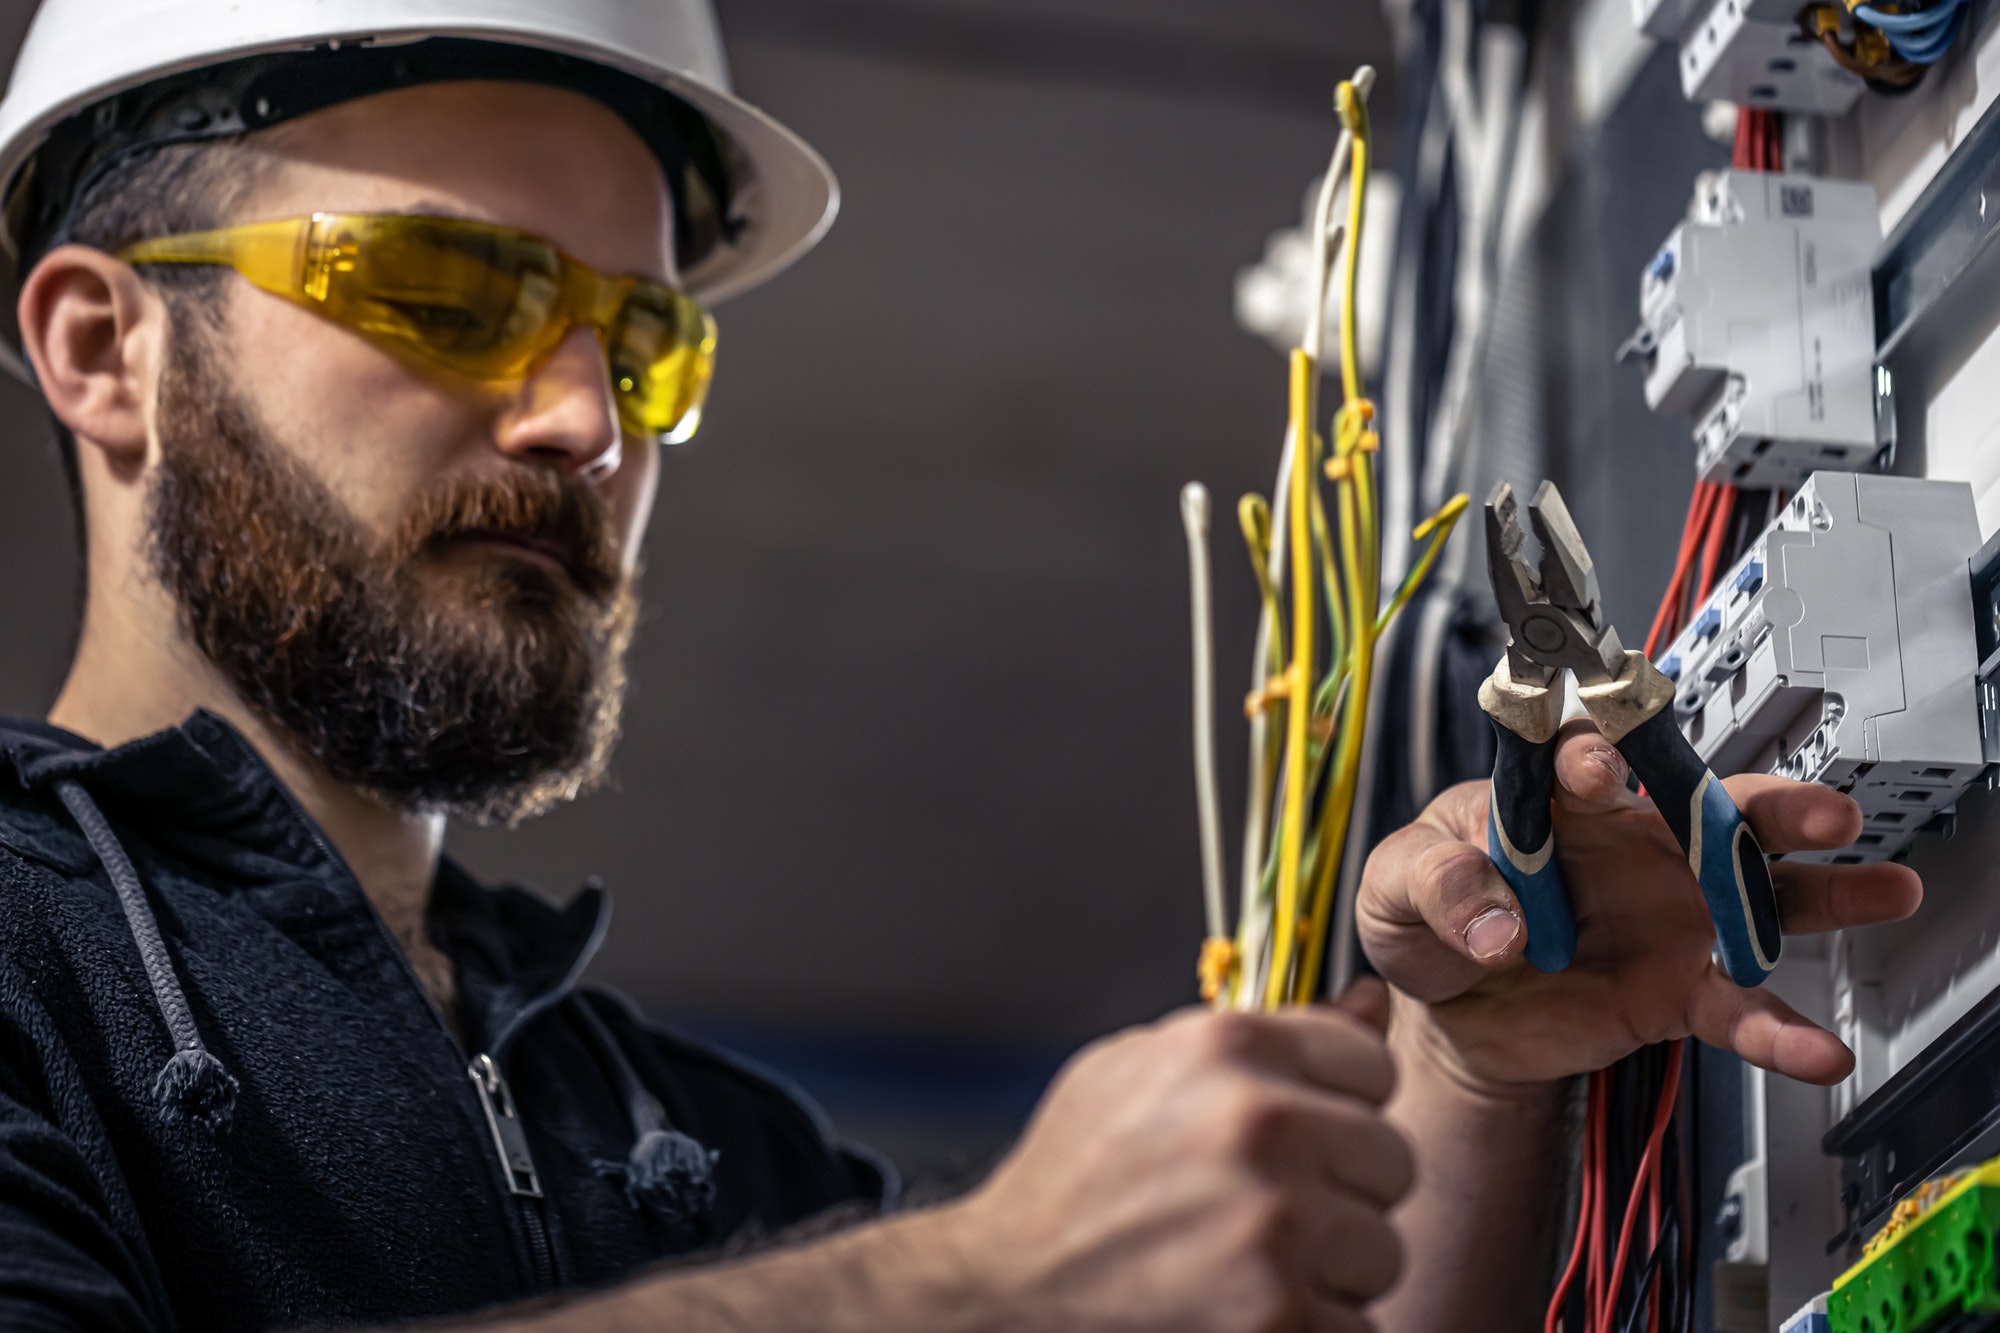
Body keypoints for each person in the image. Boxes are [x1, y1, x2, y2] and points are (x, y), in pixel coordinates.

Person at [0, 2, 1925, 1330]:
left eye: (645, 341)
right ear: (104, 351)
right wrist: (978, 1281)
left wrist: (1476, 1061)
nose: (588, 418)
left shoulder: (700, 1153)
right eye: (446, 293)